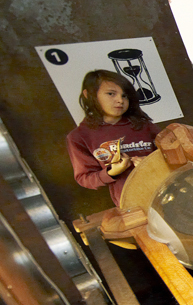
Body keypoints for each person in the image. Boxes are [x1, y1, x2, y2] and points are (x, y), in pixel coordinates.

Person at [67, 69, 160, 207]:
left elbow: (171, 153)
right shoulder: (79, 136)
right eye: (111, 94)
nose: (120, 100)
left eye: (125, 96)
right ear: (88, 95)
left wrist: (152, 163)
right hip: (132, 203)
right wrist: (112, 172)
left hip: (165, 190)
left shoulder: (144, 125)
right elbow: (84, 178)